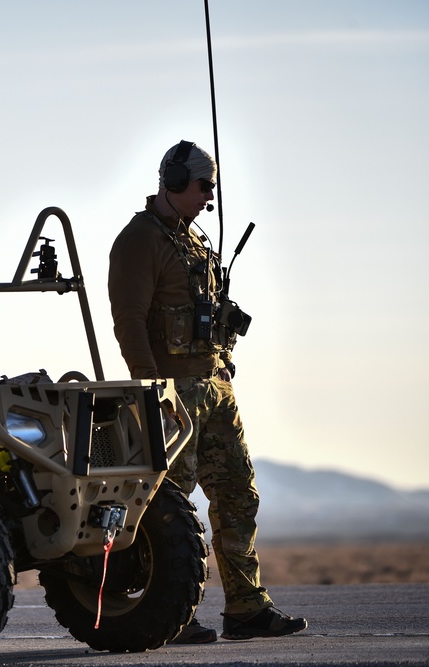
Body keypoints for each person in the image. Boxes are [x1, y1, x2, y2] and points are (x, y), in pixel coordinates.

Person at [107, 140, 307, 643]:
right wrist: (153, 389)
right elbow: (128, 319)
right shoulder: (140, 240)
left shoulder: (192, 241)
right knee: (171, 506)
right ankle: (172, 612)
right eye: (202, 187)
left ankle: (246, 607)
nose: (207, 199)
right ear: (174, 181)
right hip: (174, 394)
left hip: (215, 387)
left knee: (239, 494)